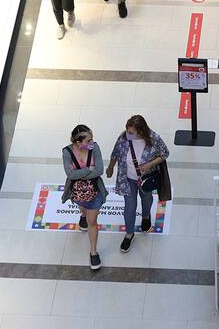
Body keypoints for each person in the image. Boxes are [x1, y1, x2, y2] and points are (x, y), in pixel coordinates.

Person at [106, 115, 170, 253]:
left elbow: (165, 154)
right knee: (130, 206)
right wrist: (110, 167)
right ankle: (129, 233)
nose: (127, 134)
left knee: (146, 199)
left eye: (131, 132)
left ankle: (145, 217)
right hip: (127, 178)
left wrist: (149, 164)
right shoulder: (123, 138)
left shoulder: (154, 139)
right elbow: (115, 153)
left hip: (146, 178)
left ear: (141, 131)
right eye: (127, 130)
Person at [63, 125, 107, 270]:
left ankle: (93, 252)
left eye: (92, 139)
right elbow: (70, 175)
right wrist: (88, 170)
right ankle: (82, 214)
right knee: (82, 208)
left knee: (92, 221)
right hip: (77, 192)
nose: (92, 142)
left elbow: (99, 170)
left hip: (95, 191)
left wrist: (80, 173)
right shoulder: (67, 152)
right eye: (88, 140)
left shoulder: (94, 148)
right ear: (78, 142)